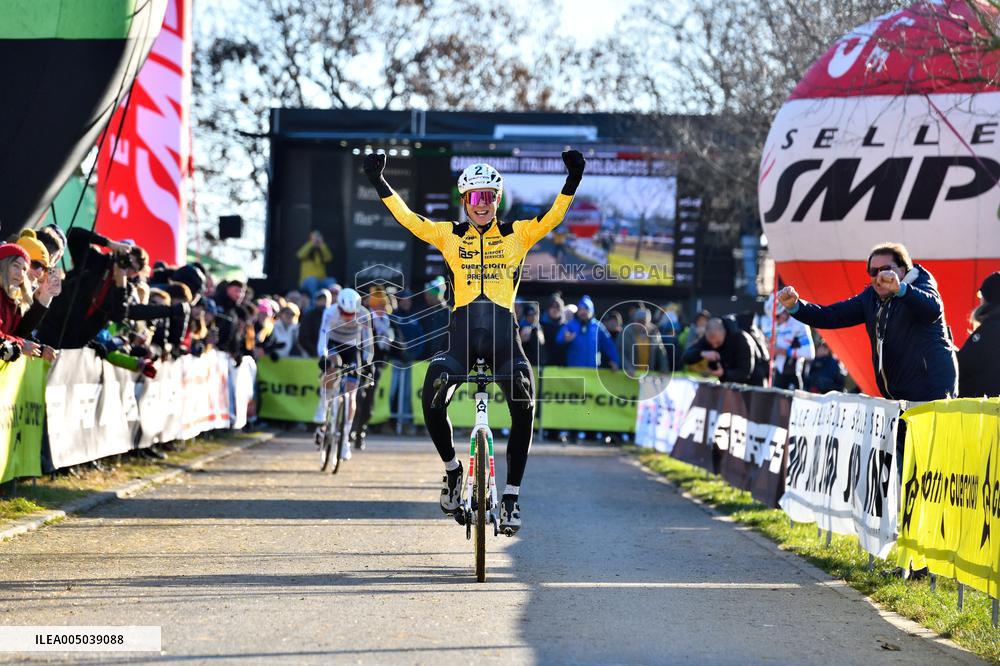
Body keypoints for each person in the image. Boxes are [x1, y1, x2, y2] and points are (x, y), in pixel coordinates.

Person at [364, 148, 586, 534]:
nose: (481, 204)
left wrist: (573, 179)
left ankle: (512, 496)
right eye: (474, 197)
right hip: (461, 340)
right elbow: (409, 220)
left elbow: (554, 216)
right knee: (431, 392)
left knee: (524, 397)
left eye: (488, 196)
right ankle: (452, 471)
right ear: (464, 201)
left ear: (497, 200)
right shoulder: (449, 236)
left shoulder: (518, 235)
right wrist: (379, 181)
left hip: (504, 341)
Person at [778, 242, 958, 401]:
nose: (880, 277)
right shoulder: (871, 297)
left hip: (932, 396)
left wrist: (900, 289)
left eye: (886, 269)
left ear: (903, 270)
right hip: (898, 399)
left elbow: (933, 309)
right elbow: (831, 315)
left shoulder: (920, 284)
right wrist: (795, 306)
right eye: (873, 271)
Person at [315, 288, 374, 461]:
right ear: (338, 307)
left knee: (351, 393)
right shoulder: (330, 312)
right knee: (332, 366)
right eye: (344, 313)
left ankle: (346, 437)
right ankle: (323, 406)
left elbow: (368, 342)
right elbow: (322, 336)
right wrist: (322, 356)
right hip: (333, 344)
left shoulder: (364, 314)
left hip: (351, 347)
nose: (348, 317)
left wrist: (368, 363)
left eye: (351, 313)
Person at [957, 272, 1000, 397]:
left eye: (981, 294)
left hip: (984, 407)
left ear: (989, 298)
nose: (980, 299)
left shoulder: (989, 329)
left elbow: (963, 365)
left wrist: (948, 351)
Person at [759, 294, 815, 390]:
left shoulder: (799, 324)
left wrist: (783, 351)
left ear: (784, 312)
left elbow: (810, 353)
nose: (775, 321)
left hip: (793, 375)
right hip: (778, 374)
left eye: (776, 317)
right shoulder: (777, 324)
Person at [681, 317, 754, 384]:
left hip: (752, 382)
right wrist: (702, 353)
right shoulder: (707, 339)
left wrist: (724, 373)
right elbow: (686, 357)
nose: (714, 346)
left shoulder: (741, 339)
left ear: (724, 333)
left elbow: (745, 373)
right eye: (711, 343)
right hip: (725, 382)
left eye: (718, 342)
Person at [557, 295, 620, 370]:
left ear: (591, 310)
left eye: (586, 309)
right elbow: (558, 340)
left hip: (592, 372)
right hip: (574, 371)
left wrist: (615, 361)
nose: (583, 312)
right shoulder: (570, 325)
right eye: (580, 309)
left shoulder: (598, 327)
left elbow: (609, 346)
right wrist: (565, 339)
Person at [620, 308, 668, 378]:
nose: (641, 324)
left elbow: (661, 352)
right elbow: (620, 352)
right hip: (630, 375)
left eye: (643, 322)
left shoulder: (654, 332)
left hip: (648, 375)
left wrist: (664, 369)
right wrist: (627, 367)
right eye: (638, 321)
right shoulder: (626, 332)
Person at [297, 230, 335, 300]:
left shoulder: (321, 250)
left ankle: (334, 302)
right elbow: (299, 255)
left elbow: (329, 258)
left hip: (320, 281)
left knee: (331, 280)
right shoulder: (307, 248)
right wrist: (312, 243)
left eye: (318, 237)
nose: (316, 240)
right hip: (306, 282)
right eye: (314, 237)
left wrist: (322, 244)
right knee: (312, 280)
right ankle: (315, 303)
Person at [539, 294, 566, 367]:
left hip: (561, 367)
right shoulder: (540, 326)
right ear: (548, 309)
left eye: (558, 307)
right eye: (552, 306)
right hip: (544, 366)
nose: (555, 309)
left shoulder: (566, 326)